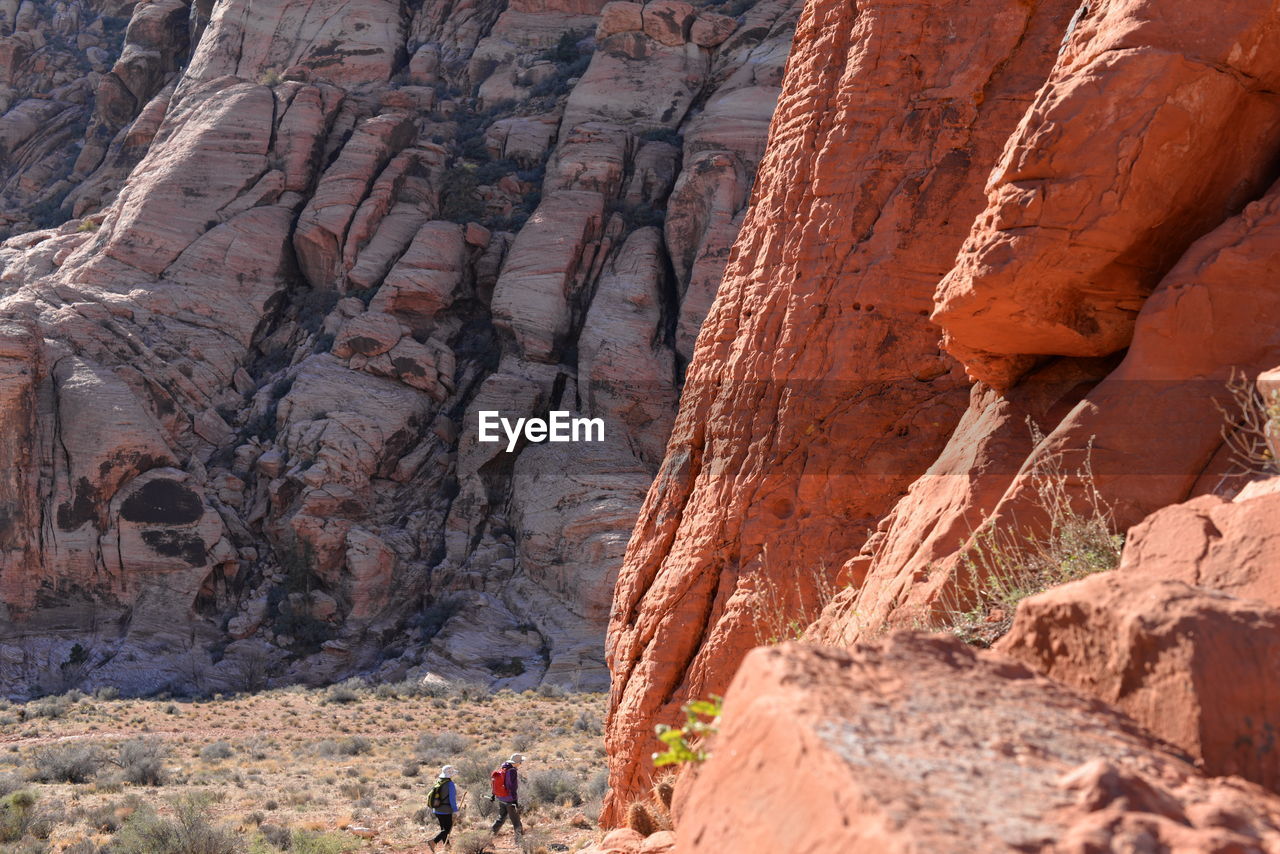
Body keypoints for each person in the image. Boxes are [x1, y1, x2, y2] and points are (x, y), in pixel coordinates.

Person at [490, 753, 524, 840]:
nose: (521, 764)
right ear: (516, 762)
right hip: (509, 800)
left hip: (501, 798)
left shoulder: (503, 768)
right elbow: (512, 787)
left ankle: (488, 837)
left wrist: (493, 794)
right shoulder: (512, 771)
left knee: (501, 818)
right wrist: (514, 800)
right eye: (520, 762)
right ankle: (519, 841)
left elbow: (495, 782)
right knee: (516, 822)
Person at [427, 765, 458, 852]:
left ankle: (447, 848)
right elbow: (452, 799)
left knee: (443, 829)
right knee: (447, 829)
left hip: (437, 809)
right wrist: (455, 810)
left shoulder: (439, 781)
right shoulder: (450, 784)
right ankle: (433, 842)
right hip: (446, 810)